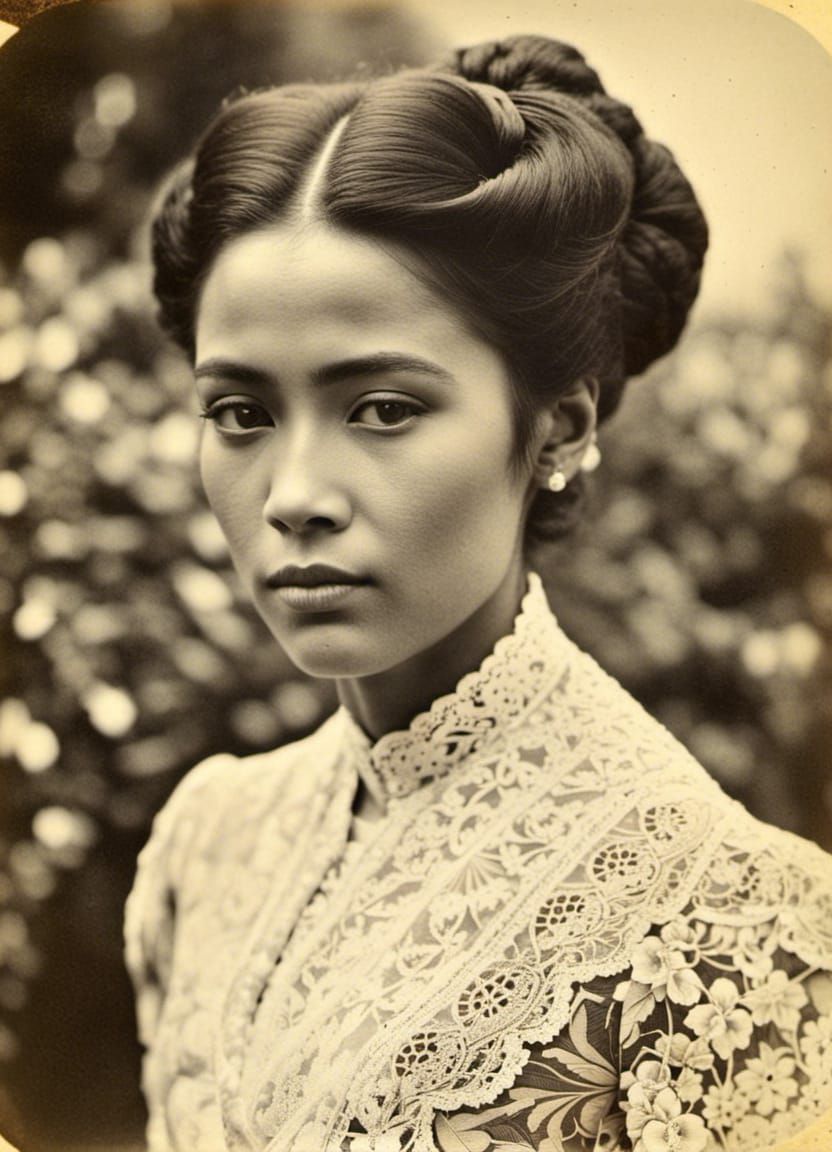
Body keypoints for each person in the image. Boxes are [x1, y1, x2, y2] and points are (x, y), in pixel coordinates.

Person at [124, 34, 832, 1152]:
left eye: (383, 409)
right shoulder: (208, 843)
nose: (294, 496)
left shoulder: (731, 921)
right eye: (242, 413)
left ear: (558, 427)